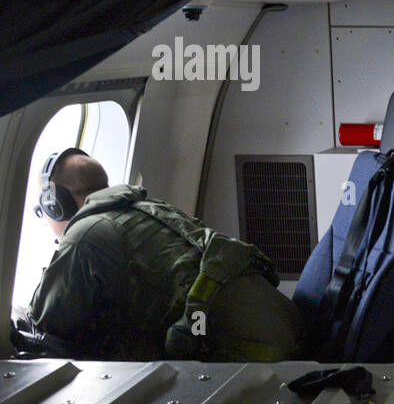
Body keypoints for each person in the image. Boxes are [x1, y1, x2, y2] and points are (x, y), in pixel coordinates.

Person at [20, 147, 303, 362]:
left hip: (249, 357)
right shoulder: (150, 209)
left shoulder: (83, 236)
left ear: (56, 203)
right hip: (289, 334)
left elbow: (45, 329)